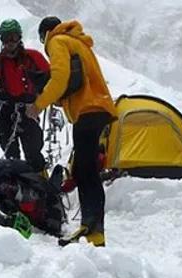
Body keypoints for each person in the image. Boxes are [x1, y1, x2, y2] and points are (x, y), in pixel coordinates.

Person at [26, 16, 117, 247]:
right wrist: (63, 100)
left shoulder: (57, 41)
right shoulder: (78, 42)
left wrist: (39, 104)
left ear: (45, 33)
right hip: (98, 108)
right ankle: (93, 230)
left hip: (87, 111)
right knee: (85, 169)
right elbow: (77, 81)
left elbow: (60, 77)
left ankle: (93, 231)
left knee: (85, 170)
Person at [0, 19, 49, 173]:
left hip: (27, 110)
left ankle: (40, 184)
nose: (10, 42)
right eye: (6, 38)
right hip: (6, 111)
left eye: (13, 37)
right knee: (12, 156)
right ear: (1, 40)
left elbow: (50, 76)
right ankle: (18, 186)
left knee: (33, 153)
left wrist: (41, 95)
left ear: (19, 37)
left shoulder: (33, 57)